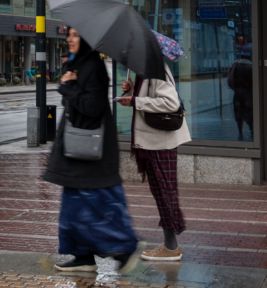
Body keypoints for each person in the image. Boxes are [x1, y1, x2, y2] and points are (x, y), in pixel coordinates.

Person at [44, 28, 140, 274]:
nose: (69, 38)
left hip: (91, 149)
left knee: (98, 205)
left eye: (75, 34)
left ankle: (124, 249)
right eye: (69, 34)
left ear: (86, 39)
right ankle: (83, 256)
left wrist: (67, 87)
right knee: (74, 208)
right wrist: (68, 79)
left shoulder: (94, 67)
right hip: (79, 148)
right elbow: (75, 100)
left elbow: (91, 105)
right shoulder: (79, 63)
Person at [120, 61, 191, 262]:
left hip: (162, 141)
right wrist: (132, 90)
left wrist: (135, 101)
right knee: (160, 193)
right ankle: (170, 245)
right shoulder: (144, 69)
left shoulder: (157, 69)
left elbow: (171, 103)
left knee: (165, 192)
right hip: (152, 142)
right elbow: (149, 97)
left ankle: (171, 247)